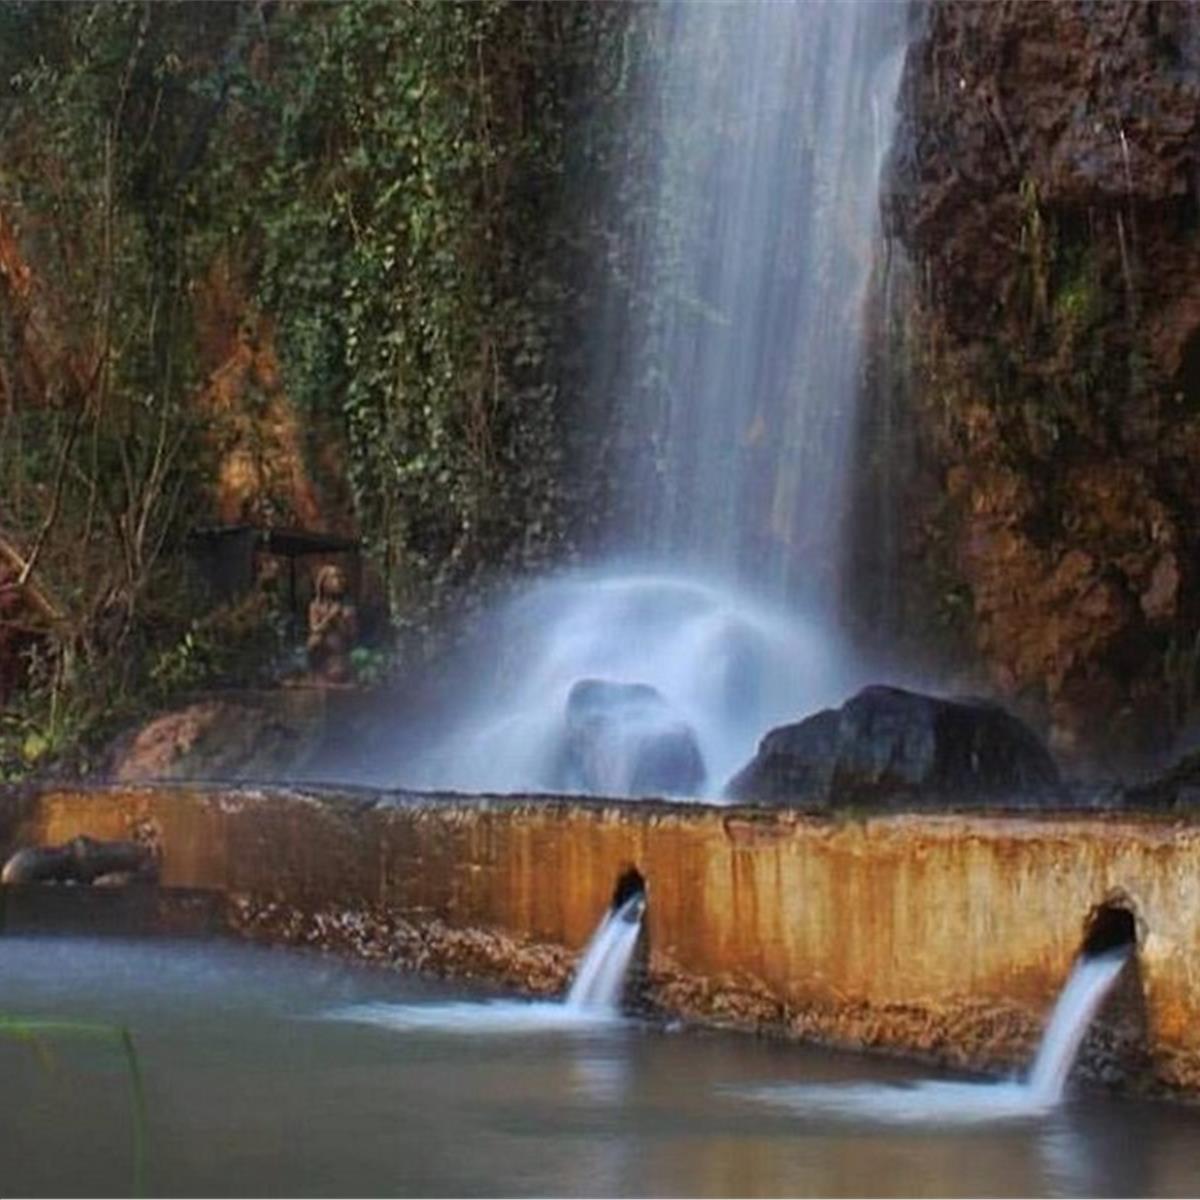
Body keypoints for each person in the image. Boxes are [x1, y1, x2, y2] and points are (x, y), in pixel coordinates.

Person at [306, 563, 357, 685]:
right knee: (315, 639)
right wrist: (330, 617)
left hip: (339, 652)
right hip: (321, 653)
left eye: (341, 577)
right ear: (324, 582)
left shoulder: (348, 607)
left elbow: (352, 635)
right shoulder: (315, 606)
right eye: (334, 577)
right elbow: (314, 629)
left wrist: (340, 620)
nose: (339, 581)